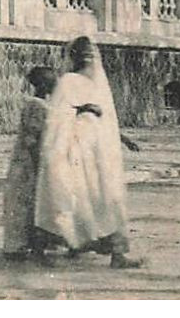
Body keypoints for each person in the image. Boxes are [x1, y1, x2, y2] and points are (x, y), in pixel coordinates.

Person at [34, 37, 141, 269]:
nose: (88, 59)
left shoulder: (98, 84)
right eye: (83, 55)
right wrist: (83, 109)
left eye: (91, 54)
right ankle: (45, 248)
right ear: (74, 57)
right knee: (70, 199)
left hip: (99, 153)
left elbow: (107, 120)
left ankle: (117, 255)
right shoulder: (68, 82)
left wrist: (122, 139)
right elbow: (57, 116)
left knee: (105, 199)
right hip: (75, 152)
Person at [3, 66, 58, 263]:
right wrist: (40, 166)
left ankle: (30, 247)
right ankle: (36, 251)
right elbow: (32, 139)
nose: (56, 84)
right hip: (30, 164)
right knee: (33, 206)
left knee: (31, 206)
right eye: (53, 81)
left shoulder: (41, 104)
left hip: (32, 161)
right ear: (43, 84)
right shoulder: (37, 106)